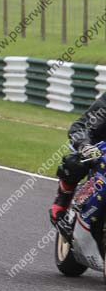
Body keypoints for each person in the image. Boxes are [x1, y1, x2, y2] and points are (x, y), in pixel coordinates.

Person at [49, 95, 106, 232]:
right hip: (100, 150)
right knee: (75, 162)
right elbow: (81, 127)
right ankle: (63, 199)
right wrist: (85, 145)